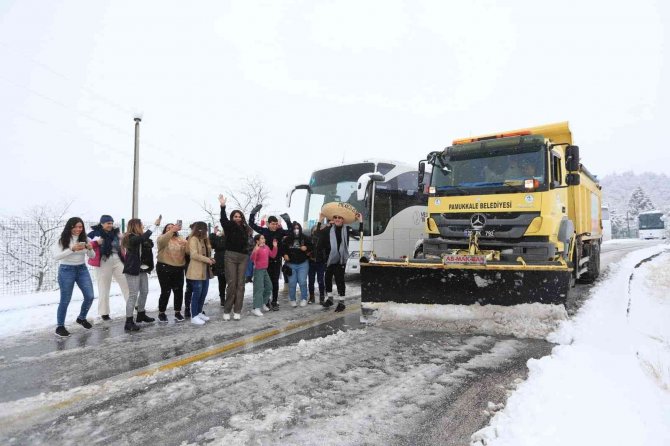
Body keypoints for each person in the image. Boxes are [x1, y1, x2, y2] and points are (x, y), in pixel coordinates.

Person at [53, 217, 96, 337]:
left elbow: (92, 256)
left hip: (82, 269)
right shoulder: (62, 240)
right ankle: (60, 326)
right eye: (76, 227)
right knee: (65, 299)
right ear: (70, 227)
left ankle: (81, 318)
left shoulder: (85, 239)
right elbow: (56, 257)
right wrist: (72, 249)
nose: (78, 229)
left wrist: (90, 248)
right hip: (66, 270)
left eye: (80, 227)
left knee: (90, 296)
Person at [317, 212, 364, 312]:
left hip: (341, 260)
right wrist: (320, 220)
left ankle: (342, 302)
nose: (337, 219)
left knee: (340, 281)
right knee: (327, 279)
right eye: (335, 217)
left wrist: (360, 221)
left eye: (339, 218)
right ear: (333, 219)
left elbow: (360, 234)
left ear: (343, 220)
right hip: (330, 259)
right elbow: (317, 234)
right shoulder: (329, 229)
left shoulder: (347, 229)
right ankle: (330, 299)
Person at [248, 204, 292, 311]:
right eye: (273, 224)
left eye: (276, 224)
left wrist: (288, 220)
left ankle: (274, 301)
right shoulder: (264, 231)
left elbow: (290, 232)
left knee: (275, 281)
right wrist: (253, 213)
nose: (274, 226)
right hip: (265, 261)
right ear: (268, 224)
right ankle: (266, 301)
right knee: (265, 283)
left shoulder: (280, 232)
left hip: (276, 260)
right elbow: (251, 224)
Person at [88, 215, 129, 320]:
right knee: (104, 287)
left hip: (117, 259)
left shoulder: (116, 233)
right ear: (102, 223)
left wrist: (123, 238)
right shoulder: (94, 234)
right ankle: (104, 312)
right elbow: (86, 246)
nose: (110, 225)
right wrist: (96, 242)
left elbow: (123, 245)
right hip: (103, 261)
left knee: (126, 283)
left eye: (111, 223)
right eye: (108, 223)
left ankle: (133, 307)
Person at [122, 216, 159, 331]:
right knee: (133, 295)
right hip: (133, 270)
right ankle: (128, 322)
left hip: (142, 269)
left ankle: (141, 314)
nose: (143, 225)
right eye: (141, 224)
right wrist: (155, 225)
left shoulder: (140, 237)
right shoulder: (129, 237)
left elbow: (148, 243)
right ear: (136, 226)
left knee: (144, 291)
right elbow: (141, 239)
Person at [219, 194, 251, 321]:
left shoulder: (245, 228)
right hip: (230, 256)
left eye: (239, 216)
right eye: (235, 216)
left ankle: (237, 310)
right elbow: (223, 220)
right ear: (232, 218)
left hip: (243, 257)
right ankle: (227, 310)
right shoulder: (229, 226)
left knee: (241, 285)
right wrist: (222, 207)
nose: (237, 218)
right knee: (231, 284)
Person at [156, 222, 188, 323]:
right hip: (164, 267)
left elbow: (189, 249)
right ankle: (161, 313)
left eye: (173, 227)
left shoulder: (181, 240)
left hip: (178, 268)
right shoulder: (162, 238)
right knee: (166, 291)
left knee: (178, 291)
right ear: (165, 230)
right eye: (168, 228)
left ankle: (177, 312)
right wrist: (172, 230)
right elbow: (162, 241)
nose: (171, 229)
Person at [186, 222, 215, 325]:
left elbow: (206, 253)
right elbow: (193, 255)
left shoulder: (204, 239)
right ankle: (194, 315)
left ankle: (199, 312)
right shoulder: (193, 239)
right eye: (204, 229)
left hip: (205, 270)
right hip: (196, 271)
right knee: (197, 293)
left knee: (203, 293)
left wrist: (210, 258)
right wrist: (207, 259)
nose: (206, 231)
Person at [281, 221, 313, 307]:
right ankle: (292, 299)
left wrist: (306, 248)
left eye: (298, 228)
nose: (296, 230)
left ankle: (304, 298)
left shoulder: (305, 238)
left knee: (302, 281)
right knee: (292, 283)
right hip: (291, 264)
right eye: (294, 228)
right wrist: (285, 254)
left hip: (303, 263)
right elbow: (282, 249)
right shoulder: (287, 239)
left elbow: (312, 247)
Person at [249, 234, 278, 316]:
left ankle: (263, 303)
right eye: (262, 238)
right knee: (259, 289)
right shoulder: (256, 248)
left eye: (264, 238)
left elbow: (273, 255)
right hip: (258, 271)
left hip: (265, 270)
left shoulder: (266, 247)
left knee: (269, 287)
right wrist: (256, 250)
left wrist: (275, 247)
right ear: (257, 241)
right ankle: (256, 308)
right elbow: (252, 259)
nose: (264, 239)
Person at [308, 216, 327, 304]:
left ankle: (322, 297)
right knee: (311, 281)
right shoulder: (308, 240)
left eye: (318, 230)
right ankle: (311, 297)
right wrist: (308, 253)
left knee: (320, 280)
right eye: (314, 230)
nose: (316, 231)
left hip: (320, 262)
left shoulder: (323, 238)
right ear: (312, 232)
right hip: (311, 263)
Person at [209, 225, 226, 307]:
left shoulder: (233, 239)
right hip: (220, 263)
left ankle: (230, 298)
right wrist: (213, 234)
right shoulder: (219, 238)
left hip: (231, 263)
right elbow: (211, 244)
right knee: (222, 282)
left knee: (231, 282)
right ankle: (222, 299)